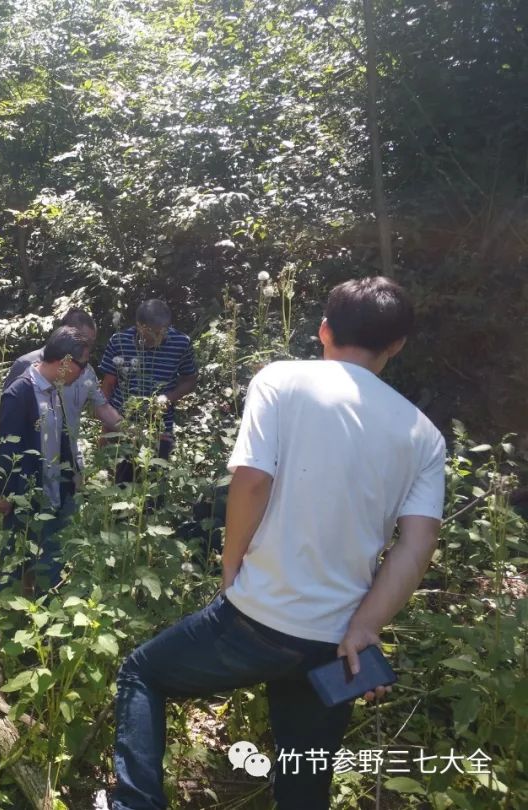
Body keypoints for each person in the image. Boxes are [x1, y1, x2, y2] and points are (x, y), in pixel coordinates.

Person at [111, 277, 447, 810]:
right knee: (303, 777)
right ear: (397, 344)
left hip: (256, 618)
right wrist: (365, 628)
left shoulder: (282, 380)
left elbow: (252, 481)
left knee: (142, 673)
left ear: (324, 330)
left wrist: (231, 566)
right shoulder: (424, 434)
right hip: (335, 642)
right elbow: (415, 545)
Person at [0, 326, 91, 591]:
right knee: (13, 565)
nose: (83, 372)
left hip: (55, 494)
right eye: (82, 365)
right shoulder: (19, 393)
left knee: (51, 566)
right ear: (65, 363)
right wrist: (4, 493)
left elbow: (60, 437)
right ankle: (3, 619)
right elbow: (7, 448)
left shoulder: (53, 389)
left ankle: (45, 619)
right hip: (25, 499)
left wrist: (72, 474)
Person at [3, 308, 121, 477]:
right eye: (82, 340)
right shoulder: (27, 367)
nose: (86, 348)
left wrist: (133, 431)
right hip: (32, 468)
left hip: (68, 461)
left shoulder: (86, 371)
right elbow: (8, 428)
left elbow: (101, 407)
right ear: (65, 333)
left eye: (90, 343)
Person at [98, 299, 197, 483]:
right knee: (118, 488)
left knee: (152, 493)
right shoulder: (119, 341)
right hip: (121, 428)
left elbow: (190, 380)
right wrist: (106, 429)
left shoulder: (181, 344)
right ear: (139, 326)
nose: (158, 336)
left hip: (159, 431)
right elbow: (108, 386)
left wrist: (168, 397)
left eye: (163, 330)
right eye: (153, 332)